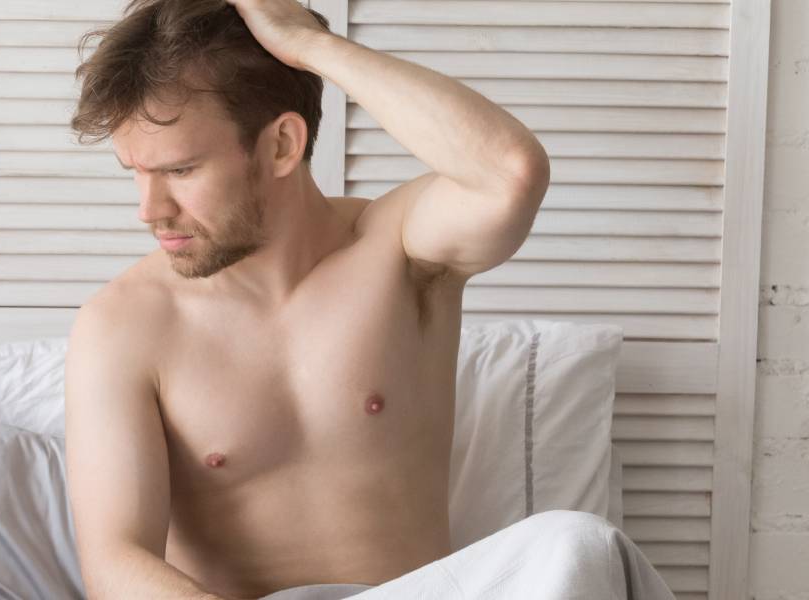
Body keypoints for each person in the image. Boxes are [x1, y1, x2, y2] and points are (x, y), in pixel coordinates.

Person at [64, 0, 673, 599]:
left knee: (579, 543)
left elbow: (510, 173)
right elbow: (116, 562)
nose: (150, 210)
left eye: (181, 170)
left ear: (281, 145)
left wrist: (309, 45)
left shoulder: (398, 251)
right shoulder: (123, 324)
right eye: (135, 173)